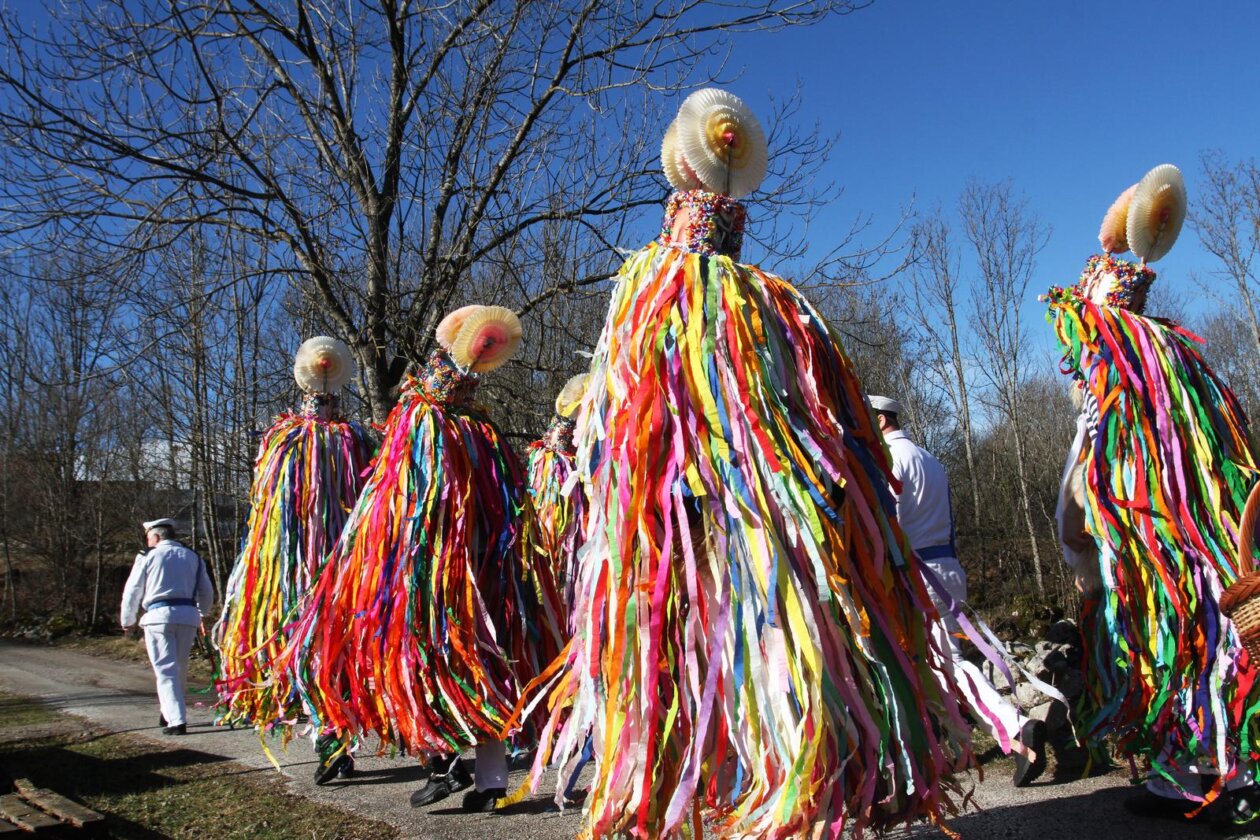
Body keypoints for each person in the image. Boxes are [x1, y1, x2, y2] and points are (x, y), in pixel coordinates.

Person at [507, 89, 979, 839]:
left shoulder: (653, 295)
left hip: (709, 551)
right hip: (742, 550)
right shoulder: (773, 304)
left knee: (718, 697)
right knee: (754, 700)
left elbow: (619, 435)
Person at [270, 305, 564, 813]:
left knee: (426, 662)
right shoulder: (486, 434)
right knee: (485, 667)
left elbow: (396, 498)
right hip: (486, 574)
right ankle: (490, 782)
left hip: (429, 573)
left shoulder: (422, 420)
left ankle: (444, 763)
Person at [1048, 164, 1260, 832]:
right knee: (1205, 646)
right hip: (1205, 535)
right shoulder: (1178, 356)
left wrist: (1076, 524)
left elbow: (1092, 458)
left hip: (1158, 541)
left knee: (1183, 647)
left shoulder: (1114, 365)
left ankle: (1218, 780)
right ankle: (1215, 776)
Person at [212, 336, 373, 784]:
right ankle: (333, 741)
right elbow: (269, 513)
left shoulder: (351, 441)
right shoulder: (290, 442)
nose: (323, 410)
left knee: (332, 657)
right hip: (297, 572)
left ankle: (334, 742)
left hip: (344, 570)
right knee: (317, 658)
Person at [870, 395, 1047, 787]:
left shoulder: (891, 462)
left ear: (881, 420)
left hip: (917, 574)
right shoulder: (930, 460)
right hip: (946, 567)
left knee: (944, 664)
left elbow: (889, 522)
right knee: (935, 665)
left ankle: (1014, 728)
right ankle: (962, 745)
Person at [121, 518, 215, 735]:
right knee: (179, 667)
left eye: (148, 537)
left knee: (166, 670)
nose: (147, 541)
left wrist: (127, 620)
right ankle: (168, 712)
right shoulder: (192, 556)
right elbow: (206, 590)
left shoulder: (148, 556)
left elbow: (133, 589)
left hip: (158, 617)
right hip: (187, 616)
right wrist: (203, 612)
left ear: (155, 536)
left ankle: (176, 720)